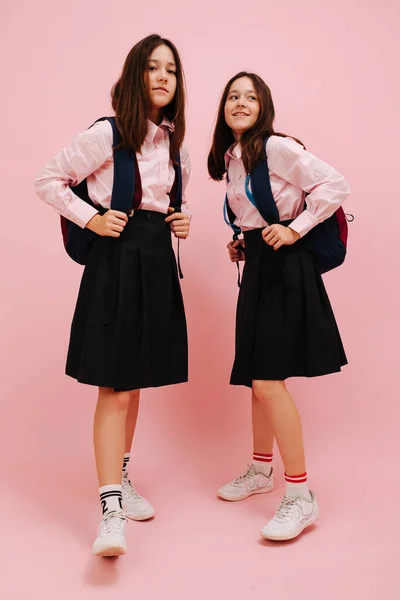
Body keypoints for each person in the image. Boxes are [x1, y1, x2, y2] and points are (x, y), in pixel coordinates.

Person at [35, 34, 191, 556]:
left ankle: (121, 478)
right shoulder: (106, 133)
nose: (164, 76)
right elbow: (49, 180)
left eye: (172, 69)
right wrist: (92, 218)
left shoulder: (174, 144)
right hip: (115, 261)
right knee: (113, 386)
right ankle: (110, 511)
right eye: (153, 67)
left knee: (137, 376)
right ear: (135, 75)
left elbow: (168, 200)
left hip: (154, 260)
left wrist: (180, 219)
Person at [207, 71, 349, 541]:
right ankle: (261, 470)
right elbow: (254, 212)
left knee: (268, 381)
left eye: (251, 96)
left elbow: (334, 185)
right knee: (256, 377)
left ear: (263, 107)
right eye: (233, 96)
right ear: (224, 108)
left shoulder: (276, 147)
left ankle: (300, 495)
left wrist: (295, 229)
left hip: (288, 270)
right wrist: (245, 246)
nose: (241, 103)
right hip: (261, 267)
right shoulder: (232, 158)